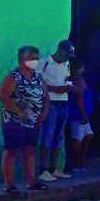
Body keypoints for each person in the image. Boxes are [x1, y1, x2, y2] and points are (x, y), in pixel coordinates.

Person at [0, 46, 50, 193]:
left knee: (31, 150)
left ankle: (31, 181)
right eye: (32, 57)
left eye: (36, 57)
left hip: (34, 121)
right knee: (12, 151)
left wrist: (45, 111)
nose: (36, 60)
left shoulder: (38, 77)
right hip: (14, 121)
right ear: (22, 60)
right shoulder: (14, 77)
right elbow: (3, 96)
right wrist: (19, 112)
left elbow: (46, 96)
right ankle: (9, 184)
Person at [37, 40, 76, 182]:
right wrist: (54, 89)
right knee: (47, 136)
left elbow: (66, 80)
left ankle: (53, 168)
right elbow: (37, 82)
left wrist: (68, 88)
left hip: (64, 103)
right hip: (50, 103)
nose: (68, 57)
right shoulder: (44, 63)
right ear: (60, 50)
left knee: (58, 137)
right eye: (67, 54)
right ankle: (43, 169)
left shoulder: (66, 64)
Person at [66, 59, 93, 174]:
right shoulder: (77, 79)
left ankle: (81, 160)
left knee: (88, 135)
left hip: (82, 113)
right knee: (77, 138)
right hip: (78, 114)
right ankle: (78, 162)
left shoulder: (77, 79)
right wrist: (83, 114)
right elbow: (80, 99)